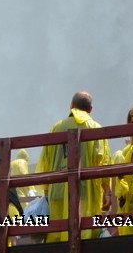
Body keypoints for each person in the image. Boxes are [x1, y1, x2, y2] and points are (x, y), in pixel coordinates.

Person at [36, 92, 111, 241]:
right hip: (85, 192)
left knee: (58, 233)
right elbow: (102, 163)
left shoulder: (57, 127)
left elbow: (46, 160)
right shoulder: (95, 128)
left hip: (57, 191)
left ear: (71, 106)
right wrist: (107, 190)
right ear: (90, 109)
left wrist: (46, 190)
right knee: (83, 234)